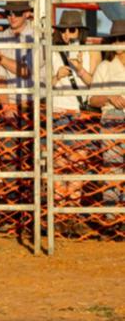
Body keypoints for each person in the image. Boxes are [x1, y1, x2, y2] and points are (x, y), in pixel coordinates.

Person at [51, 11, 100, 203]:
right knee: (60, 163)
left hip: (81, 113)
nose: (66, 35)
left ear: (79, 31)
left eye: (71, 30)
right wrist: (57, 76)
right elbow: (42, 86)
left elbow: (96, 85)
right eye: (63, 30)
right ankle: (61, 208)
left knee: (78, 163)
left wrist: (79, 69)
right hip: (58, 110)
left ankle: (71, 206)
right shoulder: (52, 51)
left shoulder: (91, 51)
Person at [88, 20, 125, 207]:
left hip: (115, 118)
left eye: (122, 39)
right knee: (113, 166)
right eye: (115, 39)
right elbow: (92, 99)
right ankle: (112, 215)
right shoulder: (105, 66)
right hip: (112, 117)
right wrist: (109, 97)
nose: (118, 43)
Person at [0, 0, 42, 114]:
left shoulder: (38, 37)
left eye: (17, 12)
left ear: (27, 13)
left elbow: (26, 71)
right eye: (9, 12)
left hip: (36, 106)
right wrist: (7, 109)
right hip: (10, 106)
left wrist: (0, 57)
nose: (12, 16)